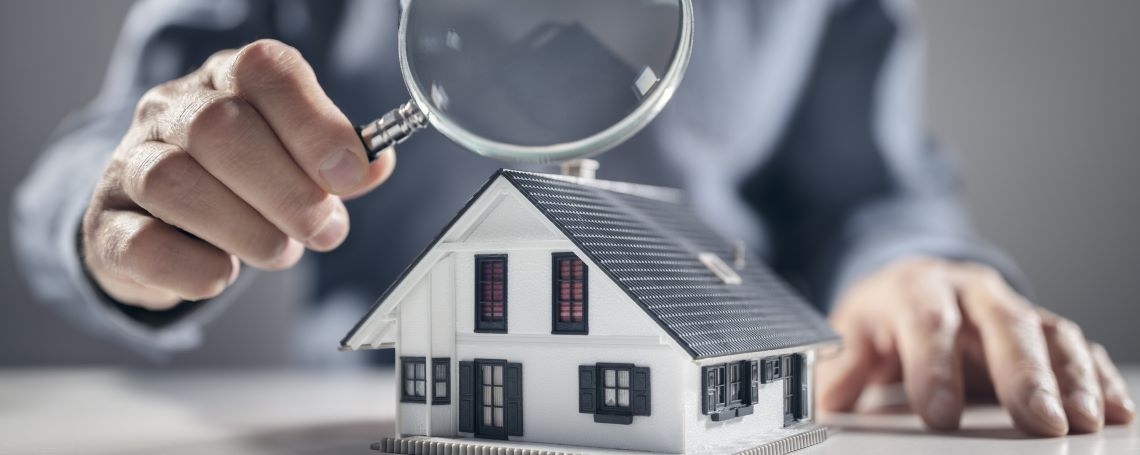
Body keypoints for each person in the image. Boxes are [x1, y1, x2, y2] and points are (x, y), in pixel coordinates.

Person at [12, 0, 1133, 438]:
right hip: (367, 415)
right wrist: (122, 221)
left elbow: (871, 193)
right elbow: (104, 150)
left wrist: (913, 263)